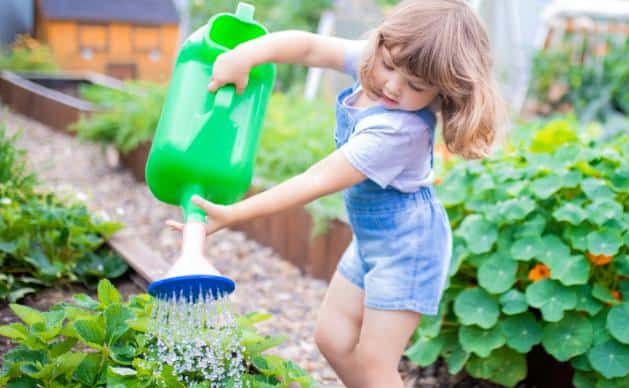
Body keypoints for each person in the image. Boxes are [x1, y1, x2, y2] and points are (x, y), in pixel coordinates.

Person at [167, 0, 505, 386]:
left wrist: (235, 213)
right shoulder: (376, 62)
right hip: (371, 239)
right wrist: (245, 55)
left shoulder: (399, 132)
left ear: (441, 92)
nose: (393, 86)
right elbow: (308, 46)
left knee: (374, 364)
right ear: (381, 45)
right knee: (332, 339)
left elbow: (315, 181)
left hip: (409, 249)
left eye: (416, 86)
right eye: (390, 67)